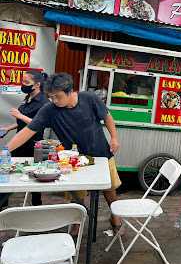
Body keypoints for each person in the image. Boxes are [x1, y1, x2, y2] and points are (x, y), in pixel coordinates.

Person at [5, 73, 123, 231]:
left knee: (110, 189)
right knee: (77, 195)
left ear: (70, 92)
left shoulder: (89, 98)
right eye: (50, 97)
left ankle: (116, 217)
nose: (54, 100)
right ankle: (77, 224)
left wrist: (114, 138)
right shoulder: (49, 110)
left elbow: (107, 117)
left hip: (101, 153)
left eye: (57, 96)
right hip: (74, 160)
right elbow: (27, 131)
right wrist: (5, 151)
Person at [0, 70, 49, 207]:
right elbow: (22, 123)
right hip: (19, 142)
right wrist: (7, 128)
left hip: (32, 146)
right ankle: (3, 205)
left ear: (37, 85)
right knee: (7, 172)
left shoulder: (43, 102)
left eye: (26, 82)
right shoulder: (29, 97)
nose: (23, 84)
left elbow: (39, 124)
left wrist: (19, 115)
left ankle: (36, 207)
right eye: (22, 81)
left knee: (34, 177)